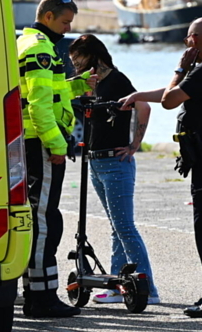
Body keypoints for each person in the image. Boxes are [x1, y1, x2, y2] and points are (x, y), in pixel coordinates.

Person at [121, 18, 202, 317]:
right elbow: (192, 93)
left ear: (193, 41)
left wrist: (180, 68)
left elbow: (170, 100)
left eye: (186, 41)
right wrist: (138, 96)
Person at [18, 0, 96, 318]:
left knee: (41, 217)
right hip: (41, 144)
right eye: (65, 23)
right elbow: (39, 105)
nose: (67, 30)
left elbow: (51, 91)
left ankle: (35, 290)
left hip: (31, 143)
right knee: (43, 220)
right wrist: (57, 146)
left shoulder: (32, 44)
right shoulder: (39, 49)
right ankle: (41, 297)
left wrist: (78, 85)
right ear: (47, 17)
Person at [67, 34, 160, 304]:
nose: (74, 65)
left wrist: (134, 144)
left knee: (125, 227)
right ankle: (118, 286)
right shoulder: (92, 83)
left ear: (92, 56)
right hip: (95, 161)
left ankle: (148, 288)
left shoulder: (117, 80)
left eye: (77, 59)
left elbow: (143, 106)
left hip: (116, 163)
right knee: (115, 227)